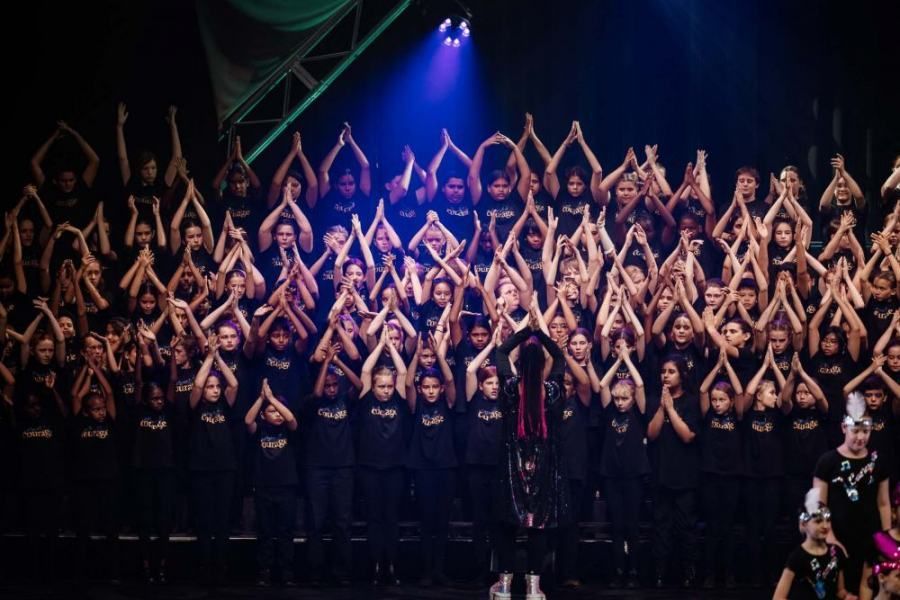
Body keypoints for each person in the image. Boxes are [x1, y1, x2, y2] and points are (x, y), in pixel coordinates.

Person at [490, 306, 567, 600]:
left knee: (508, 524)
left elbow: (500, 352)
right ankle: (534, 588)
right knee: (538, 526)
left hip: (513, 467)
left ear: (519, 364)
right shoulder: (554, 391)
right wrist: (540, 334)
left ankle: (506, 586)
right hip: (543, 468)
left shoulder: (510, 389)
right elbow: (559, 357)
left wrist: (526, 331)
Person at [814, 392, 892, 594]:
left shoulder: (879, 461)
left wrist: (886, 540)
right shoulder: (827, 462)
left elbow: (883, 503)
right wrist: (829, 536)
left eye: (865, 431)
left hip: (869, 537)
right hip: (838, 535)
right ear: (843, 428)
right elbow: (819, 504)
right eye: (855, 431)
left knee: (866, 588)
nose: (860, 437)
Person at [773, 488, 857, 600]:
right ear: (804, 524)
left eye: (828, 520)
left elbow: (840, 590)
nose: (825, 525)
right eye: (818, 521)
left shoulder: (836, 552)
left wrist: (847, 596)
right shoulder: (797, 557)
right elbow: (778, 597)